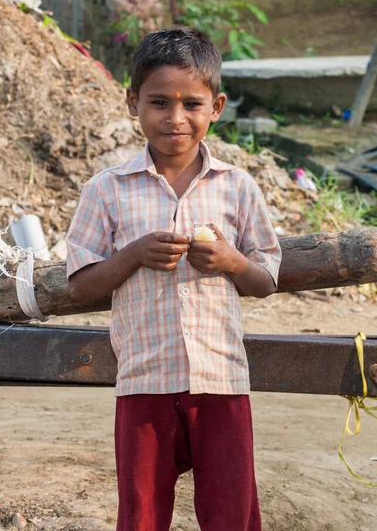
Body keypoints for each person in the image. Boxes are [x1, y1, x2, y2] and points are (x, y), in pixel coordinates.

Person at [66, 26, 282, 531]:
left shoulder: (237, 188)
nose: (176, 118)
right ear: (132, 102)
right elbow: (79, 285)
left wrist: (230, 261)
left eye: (192, 103)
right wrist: (134, 255)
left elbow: (266, 278)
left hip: (222, 380)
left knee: (232, 513)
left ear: (217, 106)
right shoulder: (108, 190)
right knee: (141, 514)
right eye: (159, 102)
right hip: (144, 380)